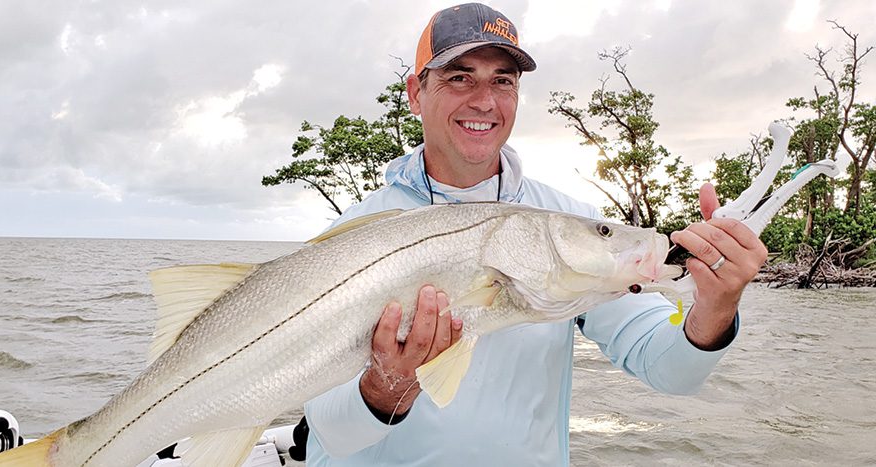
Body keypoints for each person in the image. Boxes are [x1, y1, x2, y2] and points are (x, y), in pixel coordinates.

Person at [303, 3, 768, 466]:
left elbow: (668, 368)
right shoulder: (349, 238)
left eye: (503, 80)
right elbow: (328, 432)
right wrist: (385, 387)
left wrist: (715, 307)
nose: (484, 100)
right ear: (416, 93)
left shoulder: (568, 221)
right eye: (459, 76)